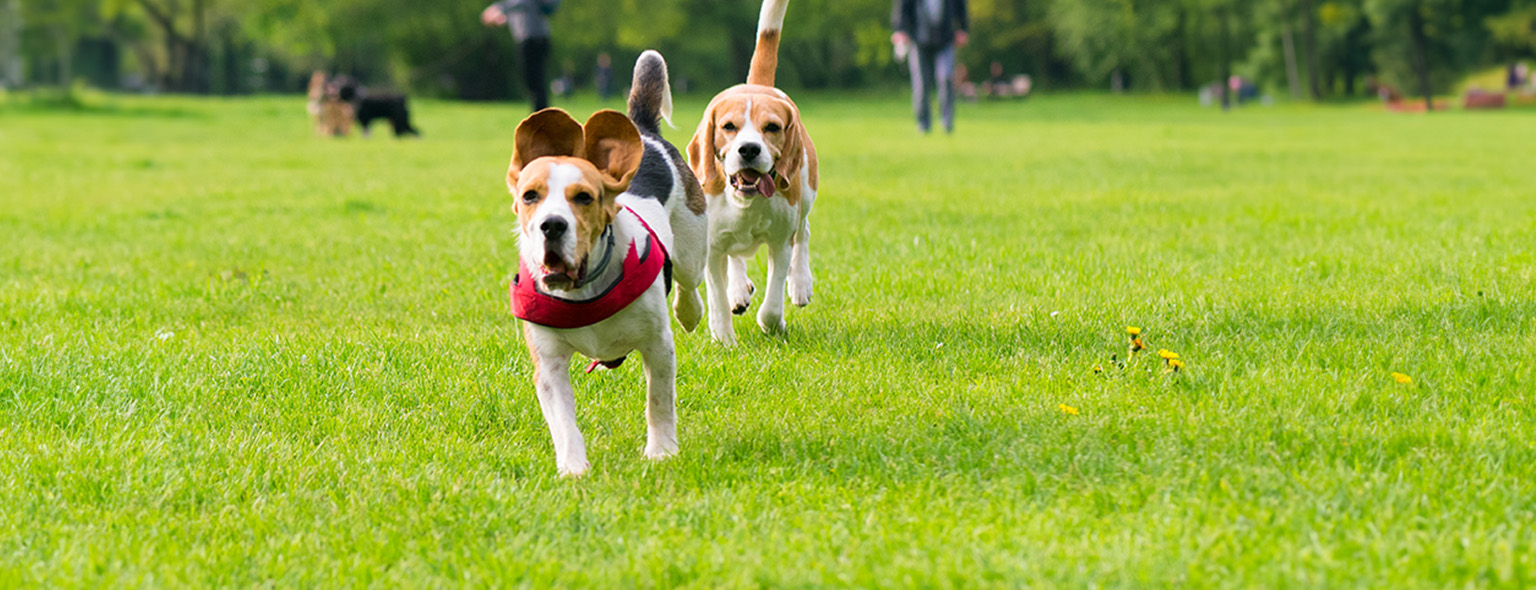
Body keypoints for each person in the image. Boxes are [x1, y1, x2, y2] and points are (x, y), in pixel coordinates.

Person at [891, 0, 968, 134]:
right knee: (921, 83)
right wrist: (900, 29)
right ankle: (923, 123)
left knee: (946, 78)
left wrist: (963, 28)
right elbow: (903, 5)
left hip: (945, 38)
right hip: (919, 38)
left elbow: (960, 5)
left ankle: (947, 121)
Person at [481, 0, 561, 112]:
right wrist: (502, 17)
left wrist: (498, 8)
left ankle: (540, 115)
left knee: (535, 81)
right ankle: (539, 113)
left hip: (533, 39)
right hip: (532, 39)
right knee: (532, 82)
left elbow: (523, 3)